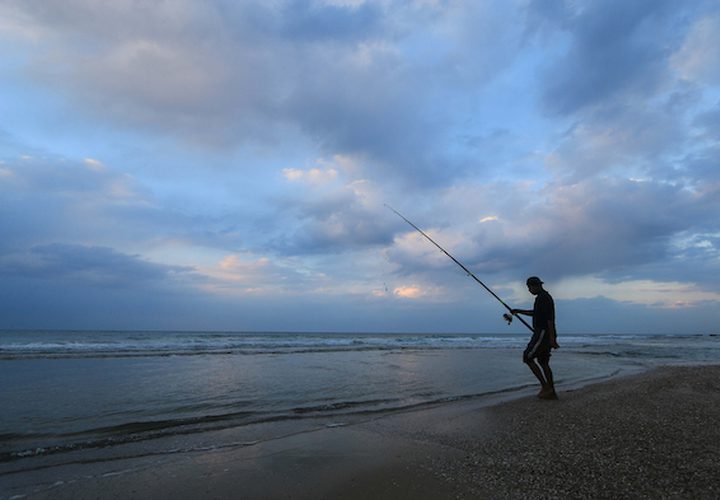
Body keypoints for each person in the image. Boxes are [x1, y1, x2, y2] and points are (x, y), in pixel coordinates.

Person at [512, 276, 559, 400]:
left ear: (535, 286)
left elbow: (549, 319)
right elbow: (535, 313)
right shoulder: (543, 297)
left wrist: (552, 338)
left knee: (527, 357)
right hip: (544, 333)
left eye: (529, 287)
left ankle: (546, 387)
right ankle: (551, 391)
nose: (529, 290)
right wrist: (518, 311)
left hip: (543, 332)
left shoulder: (543, 298)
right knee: (543, 362)